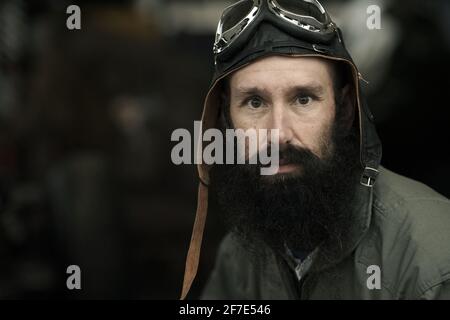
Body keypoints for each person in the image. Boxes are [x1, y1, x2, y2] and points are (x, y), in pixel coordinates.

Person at [180, 0, 450, 300]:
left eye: (304, 99)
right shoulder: (241, 255)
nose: (279, 134)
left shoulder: (431, 261)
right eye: (255, 102)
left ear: (345, 110)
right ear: (227, 120)